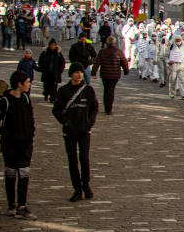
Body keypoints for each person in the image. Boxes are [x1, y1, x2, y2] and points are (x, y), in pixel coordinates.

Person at [52, 63, 98, 202]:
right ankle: (77, 189)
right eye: (76, 72)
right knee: (72, 160)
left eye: (81, 72)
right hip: (69, 131)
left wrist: (90, 122)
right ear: (71, 74)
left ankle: (86, 184)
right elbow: (56, 110)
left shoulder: (88, 90)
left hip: (84, 130)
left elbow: (94, 108)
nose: (79, 74)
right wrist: (65, 122)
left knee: (84, 158)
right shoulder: (63, 91)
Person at [0, 71, 36, 219]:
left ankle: (22, 205)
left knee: (24, 174)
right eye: (27, 82)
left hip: (25, 144)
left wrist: (30, 134)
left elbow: (31, 118)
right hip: (10, 145)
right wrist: (6, 133)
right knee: (11, 173)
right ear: (19, 84)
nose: (29, 84)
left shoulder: (26, 98)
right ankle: (11, 205)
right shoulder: (5, 101)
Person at [92, 36, 129, 115]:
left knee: (106, 90)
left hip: (105, 74)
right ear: (114, 43)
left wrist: (93, 72)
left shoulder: (102, 51)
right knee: (111, 91)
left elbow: (97, 62)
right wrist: (126, 71)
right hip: (114, 74)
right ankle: (109, 108)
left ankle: (107, 108)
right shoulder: (118, 51)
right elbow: (124, 62)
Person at [165, 35, 184, 99]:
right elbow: (166, 56)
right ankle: (172, 94)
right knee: (173, 80)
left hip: (181, 65)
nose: (178, 41)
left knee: (182, 80)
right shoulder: (171, 46)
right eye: (177, 40)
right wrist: (168, 62)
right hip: (173, 65)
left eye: (179, 40)